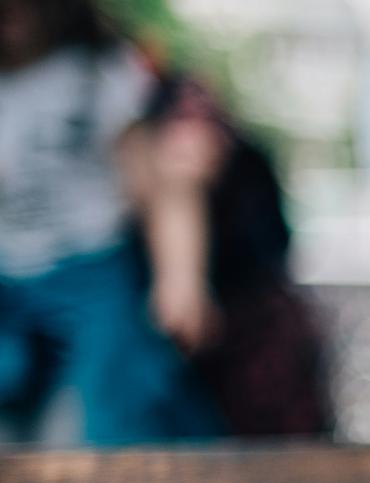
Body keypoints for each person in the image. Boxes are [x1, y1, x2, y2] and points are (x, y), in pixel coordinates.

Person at [0, 0, 220, 443]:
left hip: (91, 271)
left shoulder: (98, 72)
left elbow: (162, 188)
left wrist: (181, 279)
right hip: (8, 278)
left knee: (107, 408)